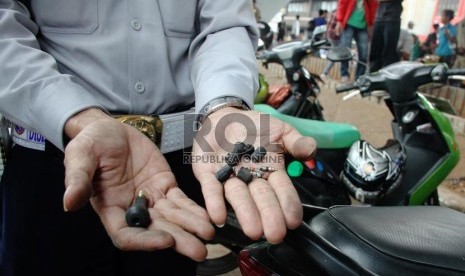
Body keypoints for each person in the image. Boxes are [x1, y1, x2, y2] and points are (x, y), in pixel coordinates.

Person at [0, 1, 316, 275]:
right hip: (50, 164)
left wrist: (223, 108)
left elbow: (225, 26)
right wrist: (76, 117)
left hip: (181, 167)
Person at [335, 0, 379, 83]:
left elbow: (373, 6)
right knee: (345, 50)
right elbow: (342, 4)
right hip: (348, 23)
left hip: (363, 26)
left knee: (364, 54)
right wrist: (339, 21)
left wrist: (371, 24)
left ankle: (359, 78)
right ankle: (344, 74)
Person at [369, 0, 403, 73]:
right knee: (374, 52)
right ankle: (372, 77)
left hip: (393, 18)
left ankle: (385, 80)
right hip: (378, 18)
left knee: (388, 53)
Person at [320, 9, 341, 80]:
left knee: (335, 54)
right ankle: (324, 73)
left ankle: (325, 73)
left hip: (331, 36)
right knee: (337, 55)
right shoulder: (339, 12)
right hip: (335, 36)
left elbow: (328, 26)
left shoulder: (335, 11)